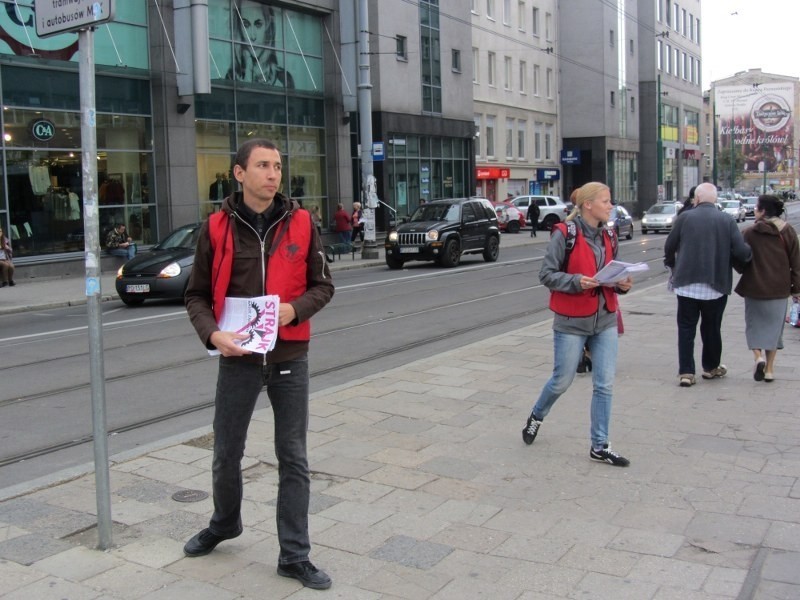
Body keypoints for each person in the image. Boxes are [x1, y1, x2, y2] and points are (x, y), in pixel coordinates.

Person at [183, 138, 334, 590]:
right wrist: (213, 334)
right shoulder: (215, 228)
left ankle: (294, 555)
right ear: (239, 173)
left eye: (278, 166)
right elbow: (195, 295)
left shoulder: (303, 223)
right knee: (226, 452)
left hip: (290, 356)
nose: (273, 174)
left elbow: (323, 286)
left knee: (293, 457)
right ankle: (225, 524)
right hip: (239, 359)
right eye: (263, 165)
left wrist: (296, 309)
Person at [521, 182, 633, 467]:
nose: (610, 206)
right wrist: (575, 281)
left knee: (604, 384)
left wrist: (622, 283)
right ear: (588, 205)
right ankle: (537, 414)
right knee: (562, 380)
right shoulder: (564, 234)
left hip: (605, 318)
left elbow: (614, 268)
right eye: (606, 201)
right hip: (572, 320)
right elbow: (546, 274)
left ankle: (600, 445)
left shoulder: (610, 233)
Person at [664, 182, 752, 388]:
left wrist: (673, 266)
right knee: (712, 328)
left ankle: (686, 372)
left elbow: (669, 246)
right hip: (716, 284)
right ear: (715, 200)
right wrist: (749, 254)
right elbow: (741, 251)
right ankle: (711, 367)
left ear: (697, 199)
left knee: (686, 328)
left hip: (686, 284)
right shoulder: (726, 220)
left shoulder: (684, 217)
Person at [733, 195, 800, 382]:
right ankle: (769, 370)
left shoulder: (749, 232)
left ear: (763, 211)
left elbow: (739, 257)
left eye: (756, 208)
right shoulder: (788, 232)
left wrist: (744, 270)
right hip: (779, 288)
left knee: (754, 327)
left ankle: (758, 357)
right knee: (774, 330)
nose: (754, 211)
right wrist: (796, 290)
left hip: (754, 287)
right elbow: (796, 264)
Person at [228, 1, 278, 83]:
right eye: (246, 25)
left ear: (267, 26)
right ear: (239, 29)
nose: (252, 36)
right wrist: (248, 67)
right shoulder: (231, 77)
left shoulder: (283, 79)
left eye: (258, 25)